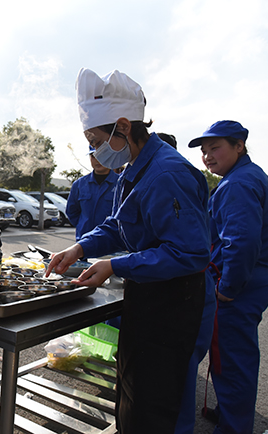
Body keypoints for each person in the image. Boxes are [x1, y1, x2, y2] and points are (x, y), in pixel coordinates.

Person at [46, 68, 214, 434]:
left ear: (123, 127)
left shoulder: (167, 174)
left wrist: (116, 265)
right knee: (133, 395)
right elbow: (117, 225)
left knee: (157, 407)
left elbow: (189, 253)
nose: (95, 151)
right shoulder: (134, 168)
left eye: (96, 141)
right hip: (147, 295)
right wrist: (81, 246)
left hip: (174, 302)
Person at [189, 120, 268, 434]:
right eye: (204, 151)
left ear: (239, 146)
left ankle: (234, 428)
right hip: (250, 279)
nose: (208, 156)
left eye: (215, 148)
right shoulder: (245, 176)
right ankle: (231, 415)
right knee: (233, 358)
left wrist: (227, 288)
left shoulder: (237, 184)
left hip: (239, 283)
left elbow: (241, 242)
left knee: (233, 362)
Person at [66, 146, 118, 241]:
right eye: (94, 156)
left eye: (102, 155)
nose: (97, 159)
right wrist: (83, 225)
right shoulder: (79, 184)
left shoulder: (120, 183)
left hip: (111, 243)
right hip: (84, 242)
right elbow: (71, 212)